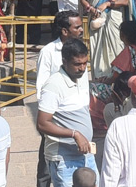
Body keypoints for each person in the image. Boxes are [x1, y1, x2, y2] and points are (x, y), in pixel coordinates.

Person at [36, 37, 96, 187]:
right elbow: (42, 124)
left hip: (87, 156)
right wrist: (74, 134)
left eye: (85, 63)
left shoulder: (81, 77)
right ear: (64, 61)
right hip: (64, 161)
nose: (82, 68)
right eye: (77, 64)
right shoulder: (53, 86)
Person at [35, 11, 84, 187]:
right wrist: (50, 117)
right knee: (48, 163)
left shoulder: (80, 50)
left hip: (76, 115)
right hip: (55, 116)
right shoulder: (49, 52)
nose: (81, 30)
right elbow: (41, 86)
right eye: (77, 27)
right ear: (64, 31)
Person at [81, 0, 134, 79]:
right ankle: (100, 80)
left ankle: (116, 78)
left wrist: (107, 4)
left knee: (116, 48)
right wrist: (91, 8)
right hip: (96, 19)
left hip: (113, 19)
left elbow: (125, 0)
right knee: (97, 49)